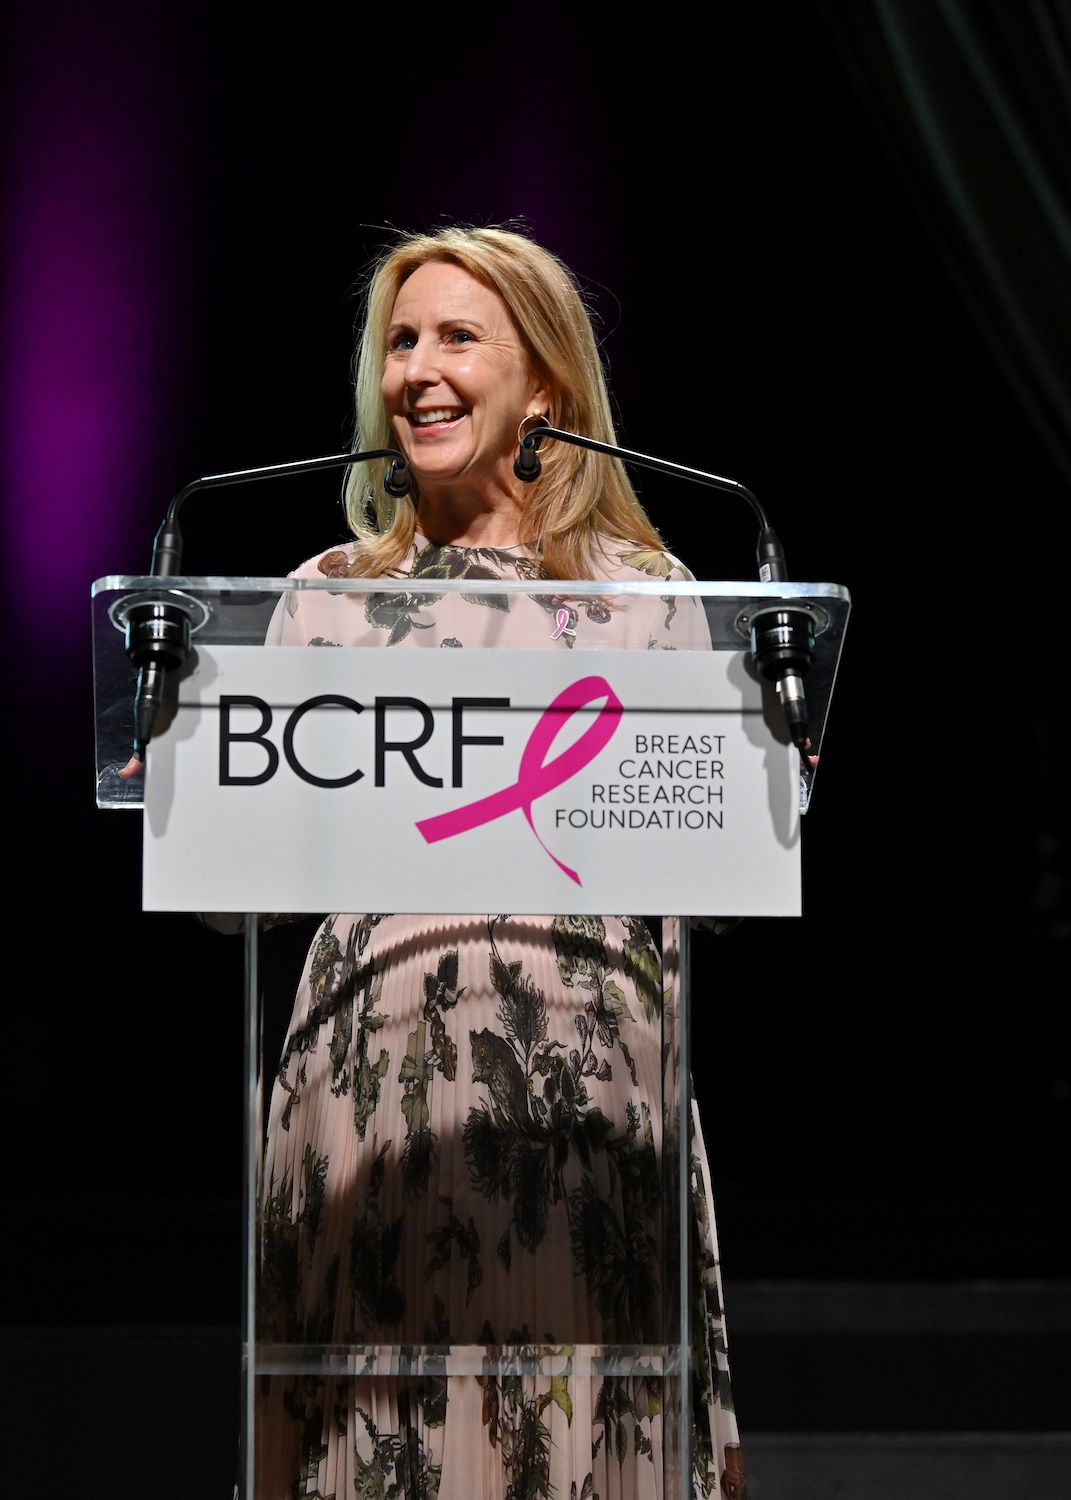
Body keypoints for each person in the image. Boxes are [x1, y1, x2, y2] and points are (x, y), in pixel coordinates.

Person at [254, 226, 747, 1500]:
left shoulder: (645, 600)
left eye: (458, 337)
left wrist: (764, 791)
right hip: (369, 1085)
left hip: (586, 1092)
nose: (417, 369)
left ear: (544, 388)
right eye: (400, 342)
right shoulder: (325, 599)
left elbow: (713, 889)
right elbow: (233, 888)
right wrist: (174, 782)